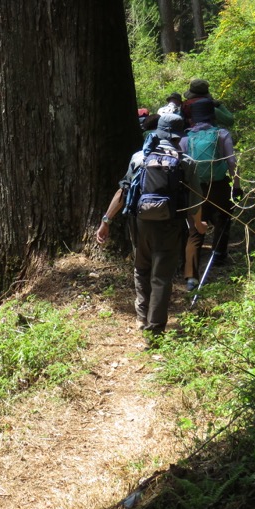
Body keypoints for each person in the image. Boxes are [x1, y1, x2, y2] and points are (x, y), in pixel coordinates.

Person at [97, 113, 205, 342]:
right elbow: (196, 200)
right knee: (161, 277)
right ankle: (155, 330)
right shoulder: (186, 162)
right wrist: (198, 224)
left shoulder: (139, 158)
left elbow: (123, 191)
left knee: (141, 268)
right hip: (170, 224)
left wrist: (106, 221)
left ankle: (141, 317)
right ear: (178, 137)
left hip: (140, 223)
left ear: (158, 133)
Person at [179, 97, 241, 291]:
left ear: (193, 119)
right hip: (219, 185)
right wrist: (236, 185)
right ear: (212, 116)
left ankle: (191, 276)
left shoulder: (185, 138)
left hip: (195, 188)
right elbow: (232, 162)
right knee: (222, 219)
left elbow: (182, 167)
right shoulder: (221, 134)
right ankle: (218, 258)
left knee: (195, 230)